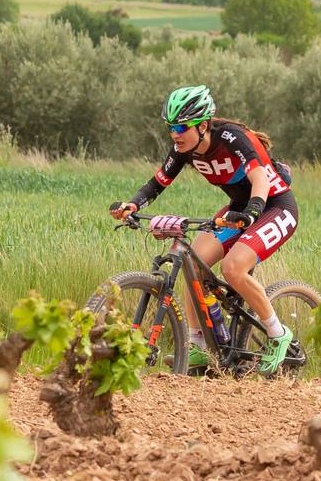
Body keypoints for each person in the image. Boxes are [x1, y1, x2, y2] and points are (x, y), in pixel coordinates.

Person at [109, 85, 300, 373]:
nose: (175, 134)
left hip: (274, 206)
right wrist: (133, 205)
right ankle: (199, 347)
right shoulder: (183, 149)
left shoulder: (234, 138)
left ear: (203, 125)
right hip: (238, 208)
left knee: (234, 267)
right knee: (193, 262)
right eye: (171, 127)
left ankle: (278, 333)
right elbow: (157, 183)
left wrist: (251, 213)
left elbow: (259, 178)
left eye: (182, 127)